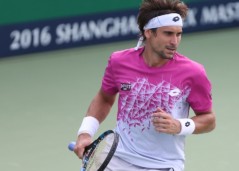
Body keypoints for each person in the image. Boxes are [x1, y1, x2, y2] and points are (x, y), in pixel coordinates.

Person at [73, 0, 216, 170]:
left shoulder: (193, 72)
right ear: (148, 33)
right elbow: (104, 98)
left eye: (179, 34)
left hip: (163, 165)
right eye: (168, 33)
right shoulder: (119, 62)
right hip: (117, 159)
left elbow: (209, 119)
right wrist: (85, 133)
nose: (175, 41)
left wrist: (179, 125)